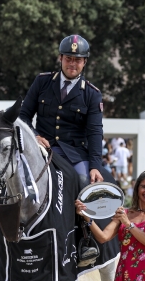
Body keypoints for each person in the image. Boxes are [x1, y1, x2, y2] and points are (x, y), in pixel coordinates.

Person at [19, 34, 104, 186]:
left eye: (77, 60)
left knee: (84, 182)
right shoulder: (42, 81)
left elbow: (95, 133)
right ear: (60, 58)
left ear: (84, 62)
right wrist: (34, 136)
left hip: (74, 154)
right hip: (41, 149)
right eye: (68, 58)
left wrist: (95, 166)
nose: (72, 63)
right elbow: (23, 116)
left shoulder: (92, 94)